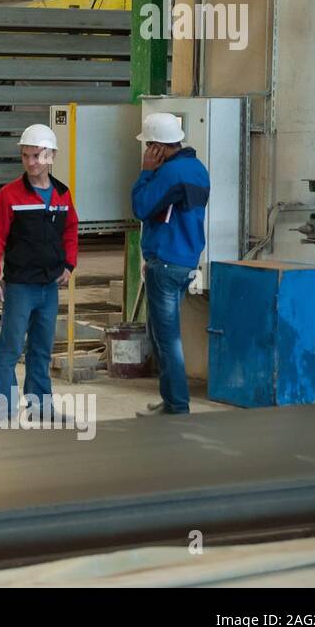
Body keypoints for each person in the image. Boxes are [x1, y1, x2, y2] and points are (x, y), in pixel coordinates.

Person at [0, 123, 78, 423]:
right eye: (26, 156)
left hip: (49, 287)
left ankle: (40, 406)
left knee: (41, 349)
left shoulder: (62, 195)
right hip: (21, 286)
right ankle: (7, 409)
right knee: (10, 348)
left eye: (37, 156)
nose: (31, 162)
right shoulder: (9, 195)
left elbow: (72, 231)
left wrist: (69, 264)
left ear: (50, 156)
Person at [131, 113, 210, 417]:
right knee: (164, 335)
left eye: (149, 145)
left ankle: (177, 404)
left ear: (159, 147)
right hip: (185, 260)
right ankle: (172, 399)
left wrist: (146, 173)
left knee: (166, 338)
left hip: (165, 264)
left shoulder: (169, 173)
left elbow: (141, 206)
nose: (147, 152)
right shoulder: (197, 169)